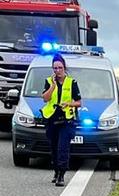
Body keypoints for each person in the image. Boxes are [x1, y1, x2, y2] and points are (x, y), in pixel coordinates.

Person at [41, 54, 81, 187]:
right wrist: (52, 86)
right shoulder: (48, 81)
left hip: (66, 119)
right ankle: (56, 171)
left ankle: (61, 175)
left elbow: (79, 102)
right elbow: (45, 98)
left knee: (63, 147)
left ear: (64, 67)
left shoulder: (72, 82)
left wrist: (69, 103)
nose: (57, 71)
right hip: (52, 118)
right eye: (55, 68)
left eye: (60, 68)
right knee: (54, 147)